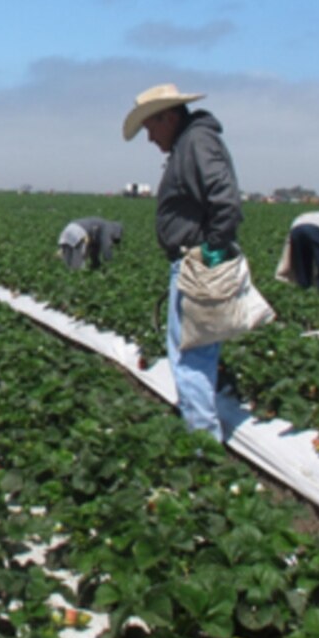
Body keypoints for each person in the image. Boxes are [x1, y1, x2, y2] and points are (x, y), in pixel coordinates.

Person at [123, 83, 242, 441]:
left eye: (150, 128)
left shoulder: (197, 143)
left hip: (198, 263)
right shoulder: (187, 144)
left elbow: (226, 199)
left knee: (191, 356)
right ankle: (200, 432)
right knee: (192, 353)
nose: (149, 138)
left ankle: (202, 445)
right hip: (190, 261)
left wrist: (214, 247)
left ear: (169, 117)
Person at [57, 217, 123, 270]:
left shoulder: (99, 229)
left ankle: (66, 275)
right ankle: (76, 274)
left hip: (68, 228)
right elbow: (106, 247)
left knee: (68, 261)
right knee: (77, 263)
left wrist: (96, 263)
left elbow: (94, 249)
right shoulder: (108, 228)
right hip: (79, 231)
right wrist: (109, 263)